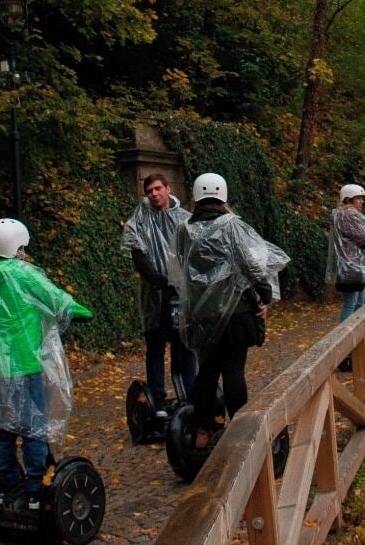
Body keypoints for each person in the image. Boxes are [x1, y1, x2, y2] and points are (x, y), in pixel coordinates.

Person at [0, 218, 87, 510]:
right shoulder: (21, 273)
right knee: (33, 425)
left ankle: (7, 486)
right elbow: (56, 298)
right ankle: (36, 489)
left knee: (3, 427)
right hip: (23, 363)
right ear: (15, 245)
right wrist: (80, 311)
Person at [176, 173, 289, 452]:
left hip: (201, 315)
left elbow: (182, 269)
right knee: (233, 370)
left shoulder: (184, 229)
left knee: (207, 371)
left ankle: (203, 428)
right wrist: (263, 294)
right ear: (223, 196)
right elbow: (251, 265)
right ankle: (240, 429)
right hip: (235, 312)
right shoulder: (232, 226)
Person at [121, 172, 193, 415]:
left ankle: (189, 396)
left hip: (181, 295)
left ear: (168, 188)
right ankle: (158, 402)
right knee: (155, 348)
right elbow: (139, 258)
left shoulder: (185, 220)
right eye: (149, 190)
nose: (154, 194)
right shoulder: (138, 223)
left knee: (184, 347)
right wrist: (162, 282)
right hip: (154, 296)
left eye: (158, 188)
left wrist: (182, 284)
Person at [327, 183, 365, 323]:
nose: (362, 201)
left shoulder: (344, 215)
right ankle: (344, 340)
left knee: (358, 305)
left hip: (356, 267)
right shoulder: (348, 215)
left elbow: (363, 238)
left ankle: (357, 340)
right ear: (348, 199)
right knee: (350, 305)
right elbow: (363, 240)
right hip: (350, 268)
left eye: (362, 198)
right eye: (358, 198)